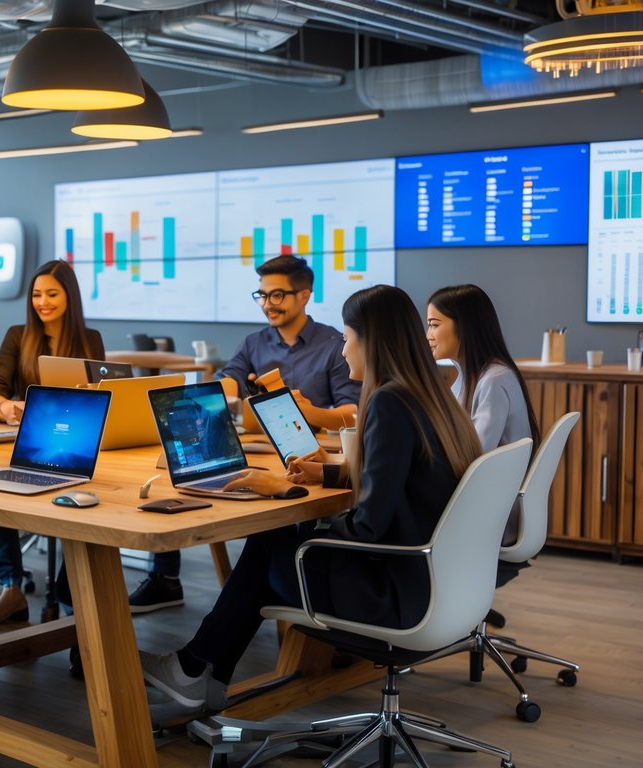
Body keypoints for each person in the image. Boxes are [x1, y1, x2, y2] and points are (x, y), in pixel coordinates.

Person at [139, 284, 481, 717]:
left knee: (273, 540)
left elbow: (368, 527)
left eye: (345, 338)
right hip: (436, 579)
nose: (342, 351)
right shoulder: (430, 394)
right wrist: (329, 473)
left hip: (394, 592)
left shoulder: (390, 402)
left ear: (369, 340)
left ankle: (196, 670)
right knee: (281, 538)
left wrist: (285, 491)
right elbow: (406, 476)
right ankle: (199, 671)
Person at [129, 254, 361, 614]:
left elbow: (350, 414)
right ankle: (166, 579)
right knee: (178, 474)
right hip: (261, 448)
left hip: (313, 454)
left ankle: (277, 594)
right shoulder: (255, 343)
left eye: (278, 295)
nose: (268, 304)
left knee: (261, 517)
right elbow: (231, 378)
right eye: (263, 295)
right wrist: (218, 393)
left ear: (304, 295)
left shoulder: (333, 344)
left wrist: (307, 410)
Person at [0, 260, 104, 626]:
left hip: (77, 439)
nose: (42, 302)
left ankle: (71, 595)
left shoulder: (89, 339)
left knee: (89, 506)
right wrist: (3, 407)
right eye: (36, 294)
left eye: (52, 293)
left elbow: (101, 394)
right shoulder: (18, 334)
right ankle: (11, 586)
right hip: (28, 440)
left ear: (70, 297)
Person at [426, 283, 539, 548]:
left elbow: (471, 453)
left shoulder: (494, 380)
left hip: (490, 512)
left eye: (434, 324)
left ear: (463, 327)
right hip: (486, 501)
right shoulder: (470, 376)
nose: (427, 334)